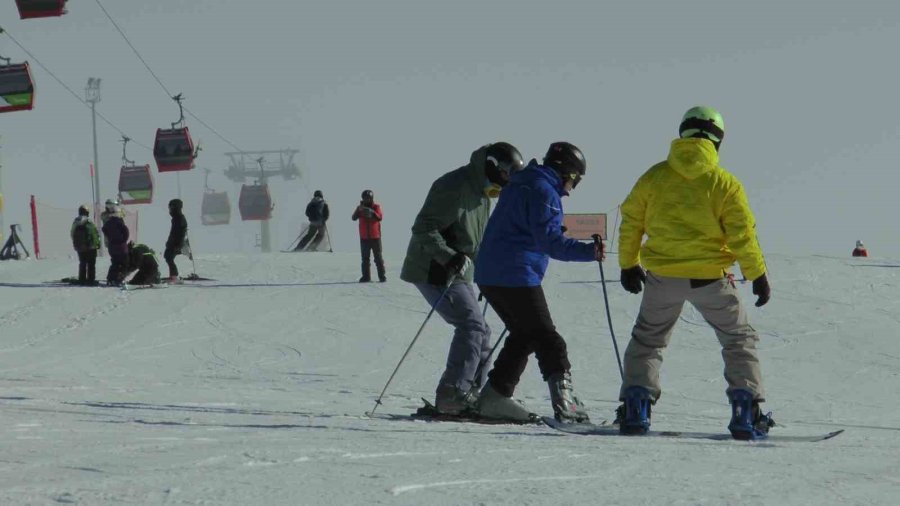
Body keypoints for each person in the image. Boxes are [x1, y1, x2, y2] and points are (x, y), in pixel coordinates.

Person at [616, 106, 774, 440]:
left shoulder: (654, 177)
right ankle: (746, 410)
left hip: (662, 277)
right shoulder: (725, 183)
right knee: (737, 339)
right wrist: (757, 274)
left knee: (648, 340)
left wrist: (628, 264)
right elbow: (742, 234)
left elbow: (631, 221)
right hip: (710, 279)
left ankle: (636, 406)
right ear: (718, 140)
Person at [475, 142, 602, 423]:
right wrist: (590, 251)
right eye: (575, 180)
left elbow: (524, 226)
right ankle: (564, 402)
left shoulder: (522, 182)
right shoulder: (544, 191)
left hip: (491, 273)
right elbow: (552, 244)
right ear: (565, 172)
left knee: (524, 335)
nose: (572, 188)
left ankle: (495, 395)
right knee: (548, 338)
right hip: (515, 274)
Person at [400, 142, 525, 415]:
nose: (508, 182)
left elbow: (472, 242)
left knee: (482, 330)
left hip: (459, 271)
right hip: (433, 268)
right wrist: (448, 256)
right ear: (492, 166)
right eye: (507, 175)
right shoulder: (454, 186)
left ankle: (470, 393)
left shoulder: (482, 194)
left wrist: (487, 274)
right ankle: (452, 394)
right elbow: (423, 228)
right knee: (471, 326)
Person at [352, 189, 386, 282]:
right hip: (364, 238)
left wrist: (371, 212)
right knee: (365, 259)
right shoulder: (360, 207)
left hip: (375, 237)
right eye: (365, 198)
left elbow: (380, 217)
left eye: (368, 198)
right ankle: (366, 277)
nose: (367, 200)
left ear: (371, 198)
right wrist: (359, 210)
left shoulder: (376, 207)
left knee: (378, 258)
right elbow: (353, 218)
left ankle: (382, 276)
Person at [70, 204, 101, 286]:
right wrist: (97, 243)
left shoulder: (76, 221)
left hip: (80, 246)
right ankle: (91, 280)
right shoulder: (89, 221)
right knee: (91, 263)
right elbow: (95, 234)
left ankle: (82, 279)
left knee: (82, 262)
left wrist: (77, 243)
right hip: (91, 246)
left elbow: (72, 233)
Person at [101, 201, 130, 286]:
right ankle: (119, 279)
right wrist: (123, 240)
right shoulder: (119, 221)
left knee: (115, 263)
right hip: (121, 246)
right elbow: (126, 232)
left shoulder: (108, 222)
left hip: (112, 246)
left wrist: (110, 238)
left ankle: (110, 279)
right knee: (125, 263)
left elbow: (104, 230)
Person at [164, 199, 188, 282]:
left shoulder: (179, 218)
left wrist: (178, 244)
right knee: (168, 256)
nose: (169, 210)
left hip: (176, 243)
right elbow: (173, 233)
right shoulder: (176, 218)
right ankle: (173, 275)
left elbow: (180, 233)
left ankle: (174, 276)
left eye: (171, 208)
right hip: (173, 242)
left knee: (168, 256)